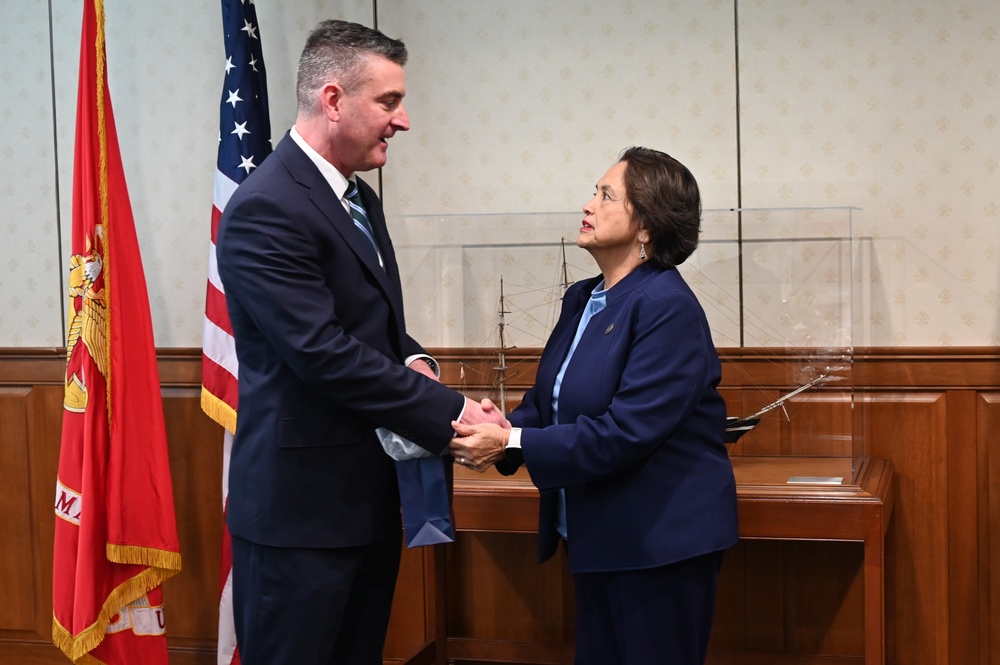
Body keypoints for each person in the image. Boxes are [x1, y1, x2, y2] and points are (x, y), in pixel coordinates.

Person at [216, 20, 506, 665]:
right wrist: (451, 412)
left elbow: (369, 326)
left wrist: (417, 360)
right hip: (301, 517)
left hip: (363, 506)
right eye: (389, 102)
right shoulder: (269, 206)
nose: (403, 121)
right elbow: (321, 351)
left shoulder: (356, 198)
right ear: (333, 99)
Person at [450, 147, 739, 665]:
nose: (588, 204)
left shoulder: (667, 307)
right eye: (593, 191)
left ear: (647, 226)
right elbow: (550, 399)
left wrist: (512, 442)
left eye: (606, 195)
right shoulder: (584, 297)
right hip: (598, 535)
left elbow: (624, 432)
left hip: (658, 547)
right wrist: (506, 426)